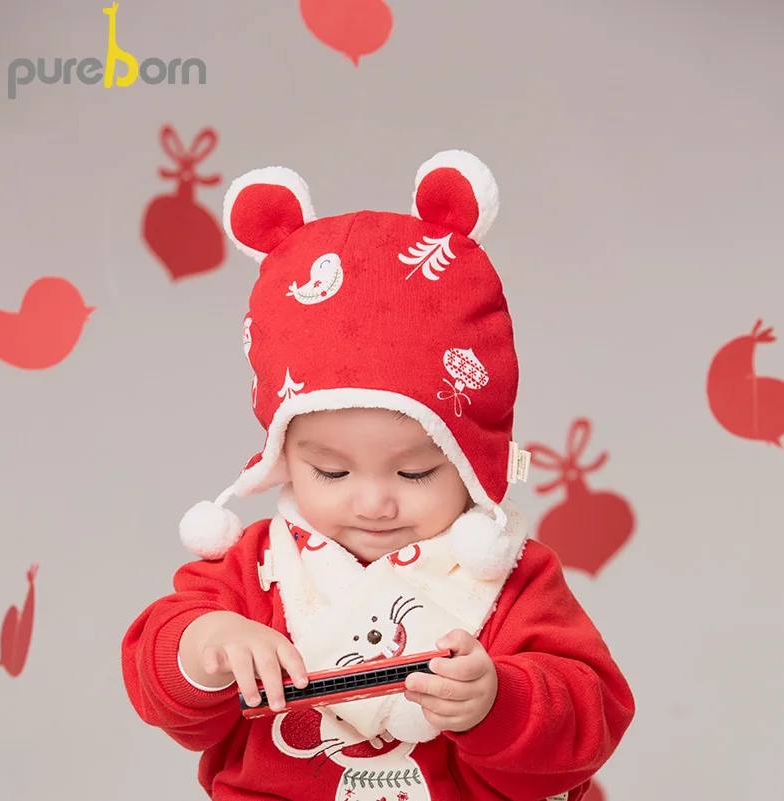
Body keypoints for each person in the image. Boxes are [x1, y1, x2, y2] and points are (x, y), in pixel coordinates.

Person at [121, 150, 635, 801]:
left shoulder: (510, 578)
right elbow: (157, 673)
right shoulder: (254, 570)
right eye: (331, 470)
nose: (372, 502)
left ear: (471, 458)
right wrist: (206, 644)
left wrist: (496, 701)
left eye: (414, 472)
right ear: (283, 456)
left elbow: (592, 716)